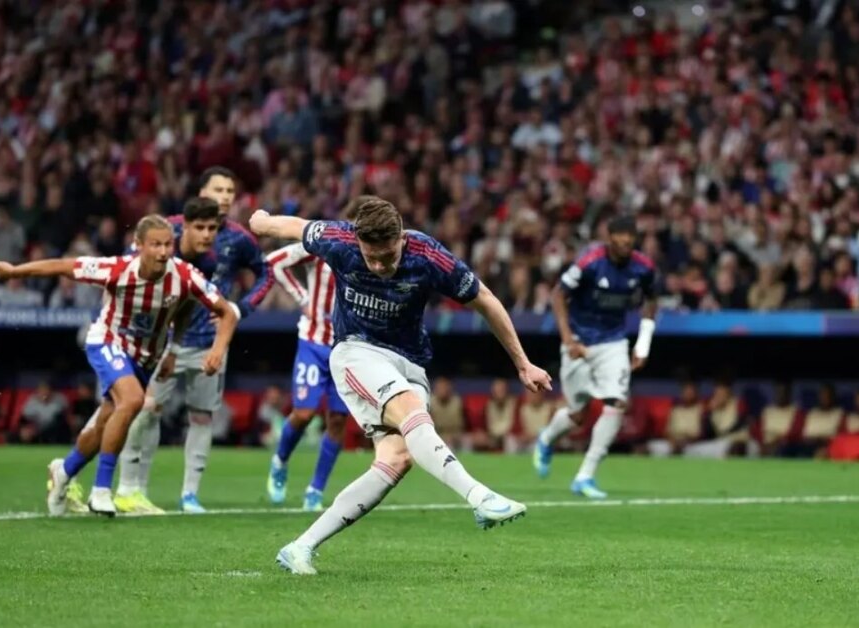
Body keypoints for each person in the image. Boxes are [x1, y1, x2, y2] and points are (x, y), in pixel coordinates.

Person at [249, 195, 552, 575]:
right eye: (370, 257)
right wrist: (261, 221)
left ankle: (300, 547)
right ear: (358, 240)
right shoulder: (338, 240)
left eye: (387, 256)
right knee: (411, 413)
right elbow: (292, 227)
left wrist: (523, 363)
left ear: (402, 239)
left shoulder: (428, 255)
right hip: (356, 351)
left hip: (410, 361)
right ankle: (480, 497)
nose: (378, 266)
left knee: (396, 459)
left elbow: (486, 300)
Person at [0, 214, 238, 516]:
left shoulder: (185, 276)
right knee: (133, 400)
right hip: (108, 340)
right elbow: (63, 266)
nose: (162, 252)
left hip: (146, 357)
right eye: (155, 245)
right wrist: (14, 271)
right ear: (138, 245)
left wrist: (217, 349)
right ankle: (101, 491)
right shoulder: (117, 269)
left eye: (167, 245)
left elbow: (227, 313)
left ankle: (64, 472)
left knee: (107, 419)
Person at [118, 167, 273, 514]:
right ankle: (134, 488)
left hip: (210, 343)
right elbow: (131, 262)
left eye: (230, 191)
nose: (226, 196)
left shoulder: (238, 239)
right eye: (219, 189)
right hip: (162, 341)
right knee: (146, 411)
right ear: (202, 193)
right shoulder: (169, 230)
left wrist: (241, 308)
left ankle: (190, 494)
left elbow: (266, 273)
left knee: (202, 417)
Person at [532, 216, 657, 499]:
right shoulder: (589, 262)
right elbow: (558, 295)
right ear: (609, 238)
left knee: (617, 402)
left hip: (613, 341)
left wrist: (643, 344)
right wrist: (568, 339)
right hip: (579, 342)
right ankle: (547, 439)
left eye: (630, 241)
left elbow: (651, 300)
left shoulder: (644, 267)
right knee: (578, 414)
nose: (625, 245)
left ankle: (585, 475)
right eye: (620, 240)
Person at [262, 200, 356, 511]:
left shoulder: (374, 257)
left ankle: (315, 490)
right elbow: (274, 261)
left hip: (348, 350)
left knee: (338, 420)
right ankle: (280, 460)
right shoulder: (322, 243)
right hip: (314, 342)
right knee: (303, 413)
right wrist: (301, 296)